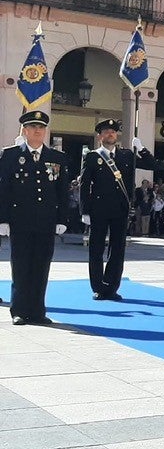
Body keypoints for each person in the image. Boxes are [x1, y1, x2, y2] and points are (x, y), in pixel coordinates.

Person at [0, 109, 70, 325]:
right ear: (25, 130)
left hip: (46, 220)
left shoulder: (57, 157)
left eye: (41, 127)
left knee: (41, 265)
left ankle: (38, 310)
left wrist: (62, 219)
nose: (37, 130)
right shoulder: (10, 155)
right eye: (33, 127)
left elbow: (62, 191)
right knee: (20, 265)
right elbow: (4, 189)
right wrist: (2, 219)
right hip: (20, 220)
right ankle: (19, 310)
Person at [80, 117, 154, 301]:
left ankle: (111, 286)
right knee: (96, 249)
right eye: (106, 132)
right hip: (98, 208)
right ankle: (97, 286)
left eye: (113, 132)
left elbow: (153, 165)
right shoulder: (92, 157)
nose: (110, 134)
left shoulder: (127, 155)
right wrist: (85, 211)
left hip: (120, 209)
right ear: (100, 136)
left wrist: (142, 148)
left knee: (117, 249)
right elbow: (84, 185)